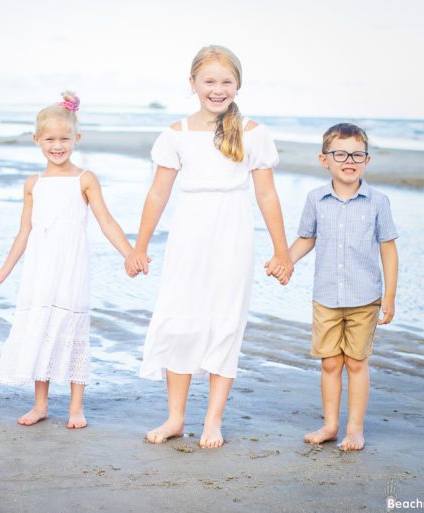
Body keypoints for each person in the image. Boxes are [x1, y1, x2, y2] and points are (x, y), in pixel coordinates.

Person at [124, 46, 293, 448]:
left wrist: (281, 251)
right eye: (209, 81)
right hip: (189, 233)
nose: (218, 89)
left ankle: (213, 420)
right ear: (193, 84)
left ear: (238, 85)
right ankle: (175, 418)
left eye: (226, 81)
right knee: (180, 318)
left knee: (225, 320)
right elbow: (158, 194)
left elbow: (267, 196)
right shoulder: (176, 134)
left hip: (233, 233)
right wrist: (140, 247)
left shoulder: (253, 133)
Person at [0, 92, 134, 429]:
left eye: (64, 138)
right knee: (42, 329)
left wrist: (130, 253)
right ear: (37, 140)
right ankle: (40, 405)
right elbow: (24, 232)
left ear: (76, 139)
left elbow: (106, 221)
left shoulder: (84, 179)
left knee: (71, 328)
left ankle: (75, 407)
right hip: (39, 269)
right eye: (50, 139)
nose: (57, 145)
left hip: (70, 269)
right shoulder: (33, 183)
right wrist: (5, 271)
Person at [275, 122, 398, 451]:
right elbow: (306, 239)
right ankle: (330, 424)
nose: (349, 159)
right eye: (340, 153)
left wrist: (389, 296)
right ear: (324, 159)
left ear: (367, 160)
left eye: (358, 154)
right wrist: (284, 260)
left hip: (365, 297)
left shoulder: (378, 201)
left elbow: (388, 248)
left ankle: (354, 429)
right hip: (326, 297)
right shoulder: (316, 199)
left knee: (356, 362)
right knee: (330, 362)